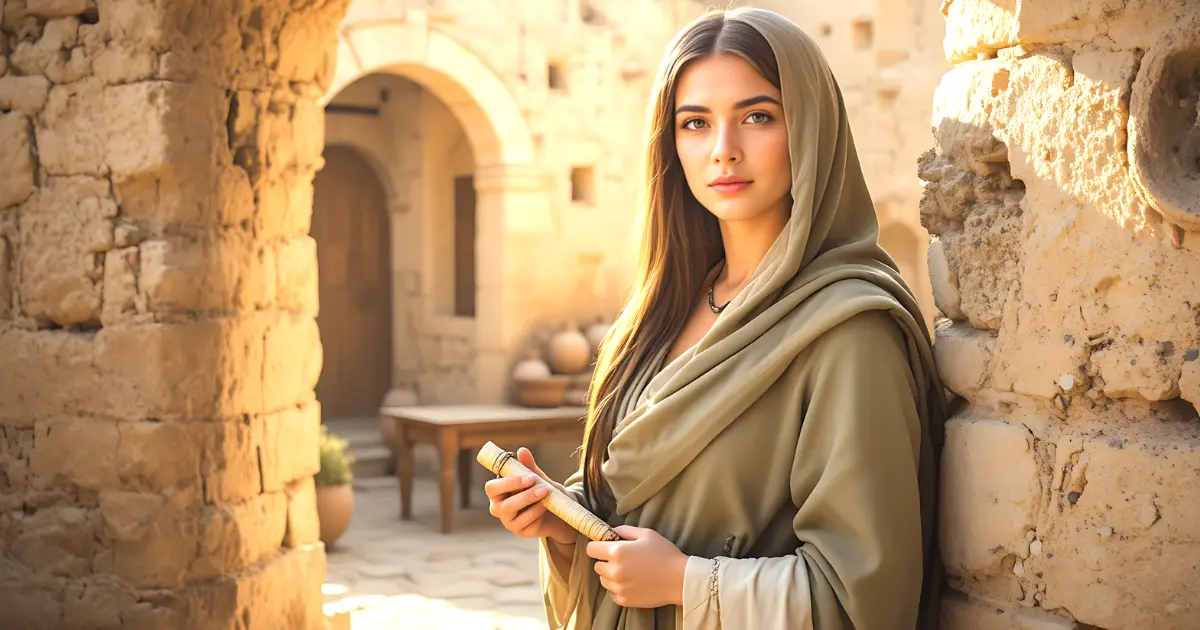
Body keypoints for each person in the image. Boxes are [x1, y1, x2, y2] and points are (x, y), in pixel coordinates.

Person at [484, 7, 947, 630]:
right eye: (695, 123)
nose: (723, 151)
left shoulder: (850, 330)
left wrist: (684, 583)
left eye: (758, 116)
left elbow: (868, 595)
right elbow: (642, 507)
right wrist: (565, 525)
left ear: (809, 129)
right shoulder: (656, 317)